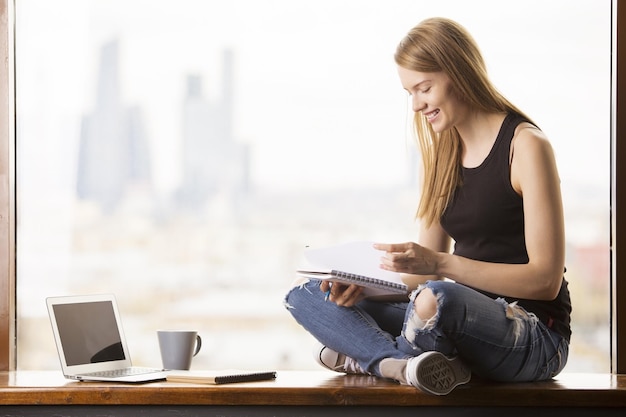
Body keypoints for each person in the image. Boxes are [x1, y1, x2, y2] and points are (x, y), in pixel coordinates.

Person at [284, 17, 571, 396]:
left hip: (533, 334)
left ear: (459, 73)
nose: (417, 105)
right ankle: (402, 366)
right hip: (452, 322)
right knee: (307, 295)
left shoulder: (526, 147)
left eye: (424, 88)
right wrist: (362, 289)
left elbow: (545, 281)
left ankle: (369, 356)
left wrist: (439, 266)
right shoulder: (442, 154)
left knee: (438, 299)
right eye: (410, 93)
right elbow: (421, 277)